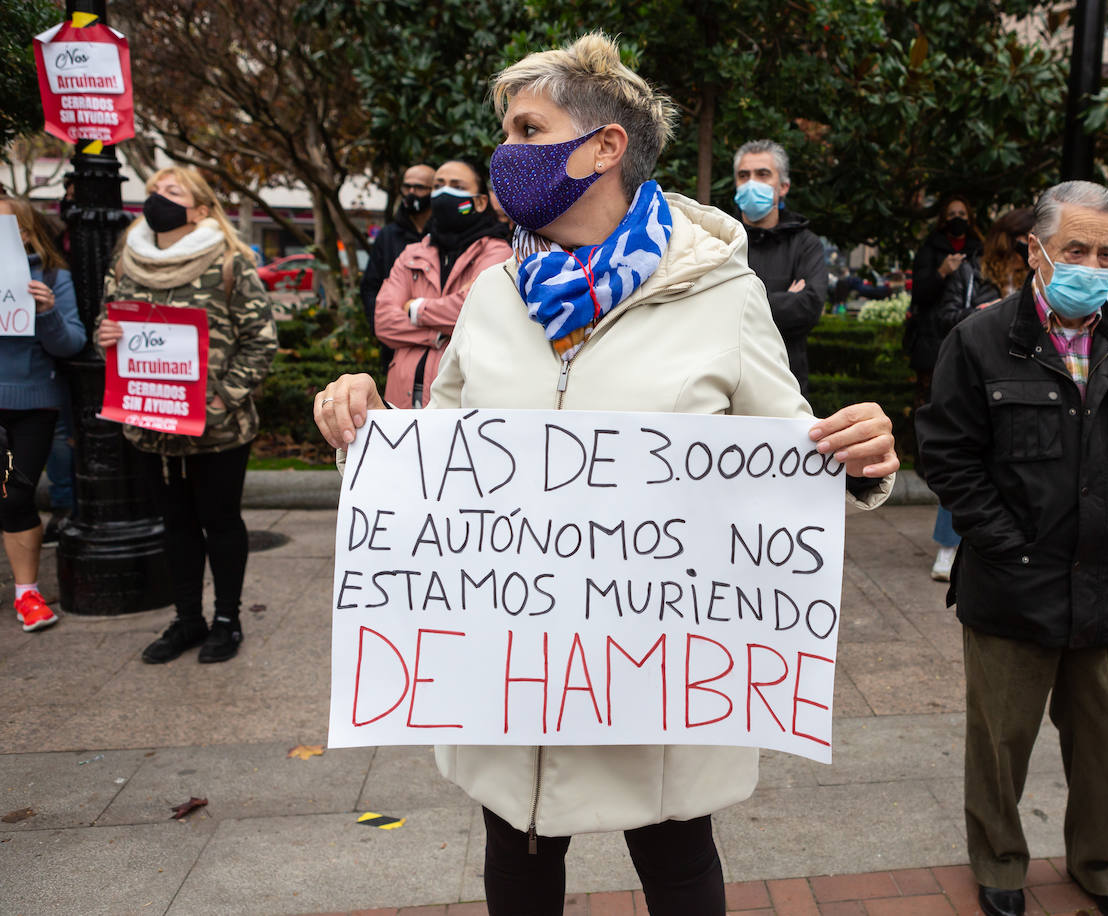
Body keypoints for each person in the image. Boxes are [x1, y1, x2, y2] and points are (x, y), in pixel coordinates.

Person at [313, 32, 897, 915]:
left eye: (525, 128)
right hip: (513, 662)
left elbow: (795, 444)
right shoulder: (497, 295)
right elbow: (444, 455)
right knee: (515, 846)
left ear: (604, 146)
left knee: (674, 852)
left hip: (649, 669)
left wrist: (860, 454)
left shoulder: (720, 292)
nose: (505, 153)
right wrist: (366, 420)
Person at [915, 181, 1108, 916]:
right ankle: (999, 865)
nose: (1091, 264)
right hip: (1011, 584)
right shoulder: (980, 338)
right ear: (1036, 251)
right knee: (1000, 745)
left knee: (1105, 748)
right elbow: (948, 455)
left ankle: (1103, 870)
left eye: (1104, 252)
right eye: (1074, 250)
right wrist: (1003, 542)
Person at [95, 166, 278, 663]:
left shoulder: (227, 261)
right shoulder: (127, 260)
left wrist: (222, 400)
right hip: (152, 427)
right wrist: (104, 336)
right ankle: (187, 620)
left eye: (172, 192)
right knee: (174, 525)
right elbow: (108, 321)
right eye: (154, 190)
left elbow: (261, 340)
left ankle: (226, 621)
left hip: (218, 430)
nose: (158, 198)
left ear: (200, 208)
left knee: (219, 523)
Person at [925, 207, 1033, 582]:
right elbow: (946, 317)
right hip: (979, 376)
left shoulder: (1043, 276)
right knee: (964, 454)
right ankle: (947, 545)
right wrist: (983, 312)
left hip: (1025, 379)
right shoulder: (973, 272)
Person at [0, 197, 85, 632]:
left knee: (15, 496)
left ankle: (26, 592)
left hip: (33, 402)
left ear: (27, 233)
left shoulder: (53, 277)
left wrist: (48, 311)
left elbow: (71, 344)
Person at [373, 159, 511, 408]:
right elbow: (383, 320)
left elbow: (474, 311)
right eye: (438, 185)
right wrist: (438, 333)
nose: (445, 193)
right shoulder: (412, 253)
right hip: (401, 399)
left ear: (480, 202)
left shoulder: (497, 253)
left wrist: (415, 308)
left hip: (461, 404)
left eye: (456, 186)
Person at [732, 139, 827, 395]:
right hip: (727, 386)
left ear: (783, 186)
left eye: (763, 174)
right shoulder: (720, 241)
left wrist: (736, 306)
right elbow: (705, 311)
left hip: (786, 387)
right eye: (744, 175)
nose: (752, 183)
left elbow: (809, 308)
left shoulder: (806, 245)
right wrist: (785, 300)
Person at [361, 163, 435, 373]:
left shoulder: (444, 235)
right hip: (396, 344)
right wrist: (380, 322)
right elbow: (370, 285)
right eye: (407, 187)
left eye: (419, 187)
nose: (412, 193)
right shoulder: (388, 235)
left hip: (438, 341)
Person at [904, 193, 983, 387]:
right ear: (943, 219)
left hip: (970, 335)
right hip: (932, 340)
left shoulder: (980, 250)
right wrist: (941, 272)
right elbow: (919, 295)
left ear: (969, 218)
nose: (957, 218)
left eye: (962, 214)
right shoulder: (929, 249)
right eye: (952, 214)